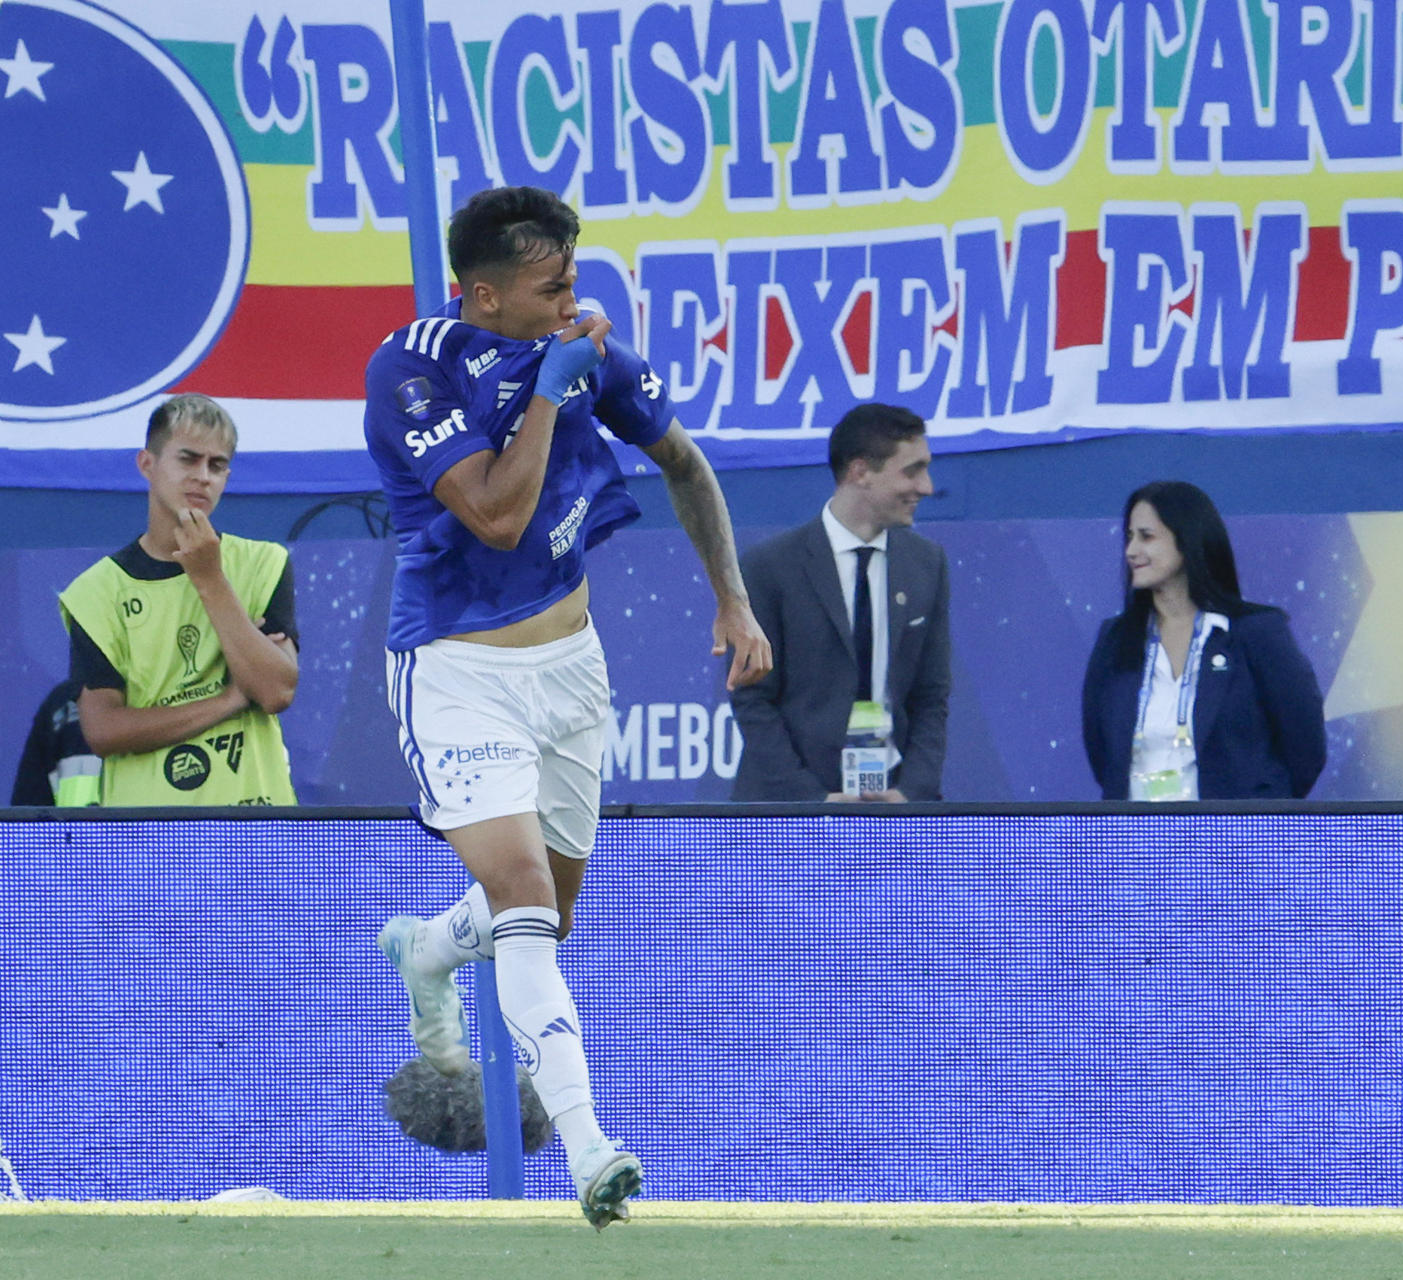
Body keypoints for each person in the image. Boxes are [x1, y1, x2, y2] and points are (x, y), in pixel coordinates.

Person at [361, 186, 772, 1228]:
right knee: (527, 905)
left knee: (542, 914)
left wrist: (731, 596)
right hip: (459, 672)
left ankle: (427, 948)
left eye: (574, 284)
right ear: (485, 295)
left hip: (571, 667)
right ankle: (591, 1149)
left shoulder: (589, 355)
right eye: (552, 291)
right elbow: (497, 515)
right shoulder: (409, 369)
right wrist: (548, 391)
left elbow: (683, 462)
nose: (572, 307)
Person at [56, 394, 299, 806]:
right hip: (145, 833)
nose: (203, 476)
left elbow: (275, 691)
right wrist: (230, 698)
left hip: (258, 824)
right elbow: (104, 731)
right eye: (188, 459)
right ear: (147, 464)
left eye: (217, 465)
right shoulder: (95, 592)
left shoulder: (265, 563)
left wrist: (209, 577)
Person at [729, 403, 951, 802]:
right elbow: (753, 700)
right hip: (787, 819)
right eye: (912, 470)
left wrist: (911, 794)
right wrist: (812, 801)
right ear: (860, 472)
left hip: (895, 812)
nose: (927, 487)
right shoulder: (769, 568)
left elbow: (931, 698)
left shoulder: (927, 565)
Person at [1081, 480, 1326, 800]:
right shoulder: (1116, 639)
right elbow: (1102, 753)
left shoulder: (1256, 632)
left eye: (1147, 537)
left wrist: (1259, 815)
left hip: (1236, 841)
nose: (1131, 551)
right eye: (1129, 537)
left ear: (1187, 540)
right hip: (1138, 840)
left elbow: (1305, 747)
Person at [7, 678, 97, 806]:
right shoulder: (59, 704)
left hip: (74, 824)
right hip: (71, 825)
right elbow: (29, 815)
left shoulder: (61, 702)